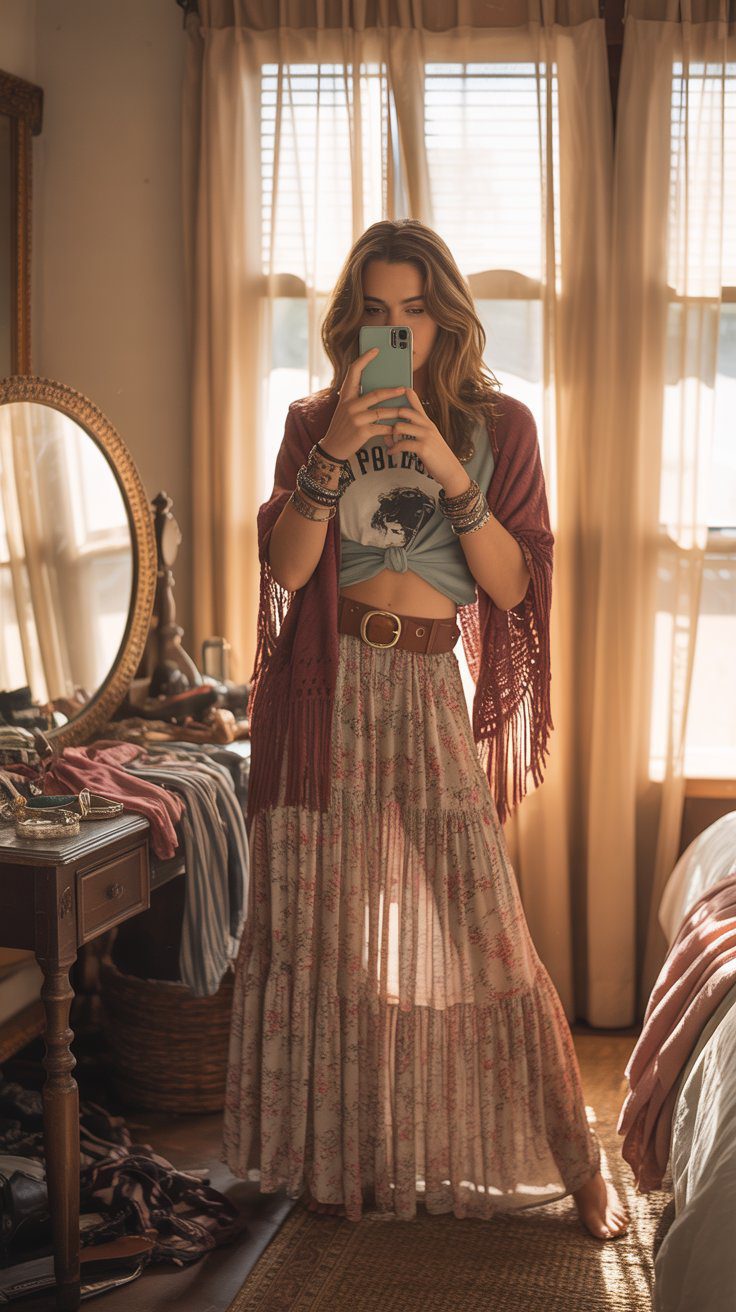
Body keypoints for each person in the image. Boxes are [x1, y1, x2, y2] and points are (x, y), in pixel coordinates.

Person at [222, 219, 629, 1241]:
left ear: (445, 320)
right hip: (324, 696)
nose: (394, 329)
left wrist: (450, 469)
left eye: (414, 311)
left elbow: (512, 581)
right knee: (323, 945)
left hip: (423, 683)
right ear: (350, 320)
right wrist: (333, 452)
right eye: (375, 310)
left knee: (489, 933)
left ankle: (578, 1165)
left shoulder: (504, 427)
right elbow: (287, 569)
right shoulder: (313, 417)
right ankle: (336, 1165)